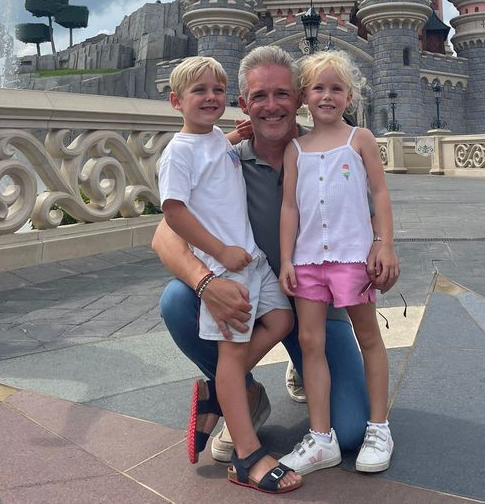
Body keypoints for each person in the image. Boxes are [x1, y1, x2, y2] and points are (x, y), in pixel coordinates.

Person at [152, 47, 392, 465]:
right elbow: (164, 236)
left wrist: (382, 246)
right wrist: (207, 283)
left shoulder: (331, 151)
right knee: (177, 299)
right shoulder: (226, 159)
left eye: (282, 94)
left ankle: (286, 371)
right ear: (243, 104)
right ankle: (237, 389)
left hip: (322, 301)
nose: (271, 106)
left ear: (299, 98)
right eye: (259, 96)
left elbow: (373, 206)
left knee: (351, 431)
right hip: (258, 295)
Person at [158, 55, 301, 493]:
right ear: (175, 101)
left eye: (216, 90)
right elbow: (172, 214)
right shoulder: (178, 152)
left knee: (281, 320)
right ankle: (247, 454)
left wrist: (236, 134)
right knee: (231, 358)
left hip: (254, 262)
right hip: (227, 269)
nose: (210, 97)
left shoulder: (218, 140)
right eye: (198, 91)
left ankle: (222, 392)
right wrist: (217, 254)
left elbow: (222, 158)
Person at [279, 51, 399, 475]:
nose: (326, 96)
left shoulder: (360, 139)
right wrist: (286, 259)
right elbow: (290, 208)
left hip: (352, 257)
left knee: (368, 337)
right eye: (318, 88)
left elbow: (380, 194)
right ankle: (321, 438)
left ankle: (379, 426)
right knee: (311, 344)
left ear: (349, 95)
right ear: (304, 97)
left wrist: (383, 244)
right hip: (309, 260)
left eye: (335, 88)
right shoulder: (296, 148)